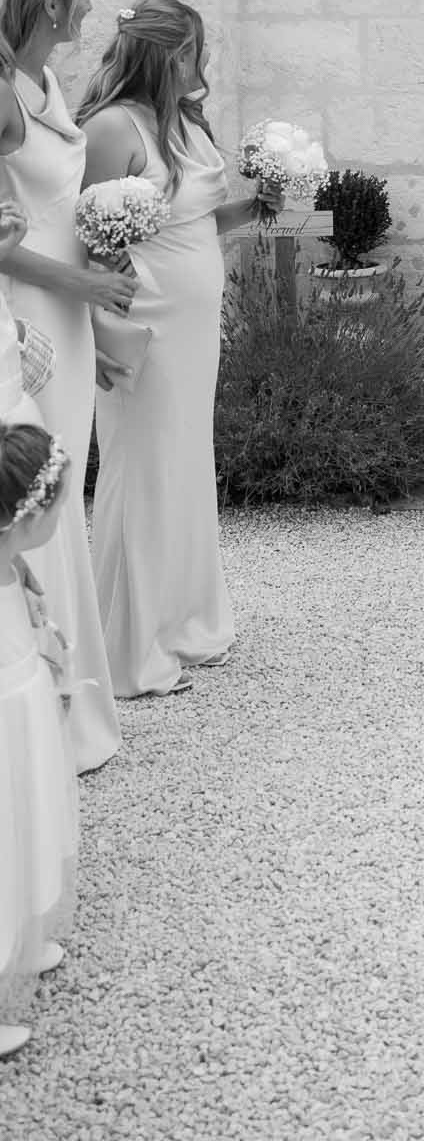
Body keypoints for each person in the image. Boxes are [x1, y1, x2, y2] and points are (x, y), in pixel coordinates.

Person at [79, 0, 279, 698]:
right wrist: (104, 318)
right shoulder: (111, 127)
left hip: (195, 325)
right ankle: (131, 647)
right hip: (147, 323)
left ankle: (184, 619)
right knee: (144, 467)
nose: (204, 63)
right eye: (194, 50)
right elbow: (90, 236)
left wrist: (257, 205)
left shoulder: (186, 122)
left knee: (187, 462)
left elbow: (190, 218)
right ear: (166, 54)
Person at [0, 0, 130, 774]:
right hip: (33, 313)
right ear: (50, 4)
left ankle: (76, 697)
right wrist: (80, 288)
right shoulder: (4, 90)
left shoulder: (45, 84)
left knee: (67, 488)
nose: (87, 7)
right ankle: (43, 705)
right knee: (36, 492)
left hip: (75, 306)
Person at [0, 407, 80, 1059]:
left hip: (21, 716)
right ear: (26, 517)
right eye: (56, 506)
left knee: (29, 827)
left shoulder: (14, 565)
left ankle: (24, 937)